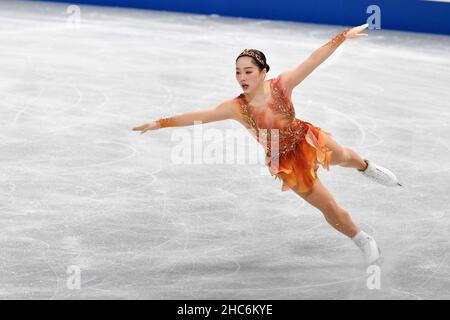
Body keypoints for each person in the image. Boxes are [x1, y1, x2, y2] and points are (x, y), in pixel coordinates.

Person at [132, 23, 402, 266]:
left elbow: (313, 60)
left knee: (343, 156)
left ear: (263, 72)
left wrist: (342, 36)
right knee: (328, 207)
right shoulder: (236, 107)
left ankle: (366, 167)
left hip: (305, 137)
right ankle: (362, 239)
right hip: (282, 160)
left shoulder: (282, 85)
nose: (242, 77)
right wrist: (160, 122)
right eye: (238, 72)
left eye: (248, 71)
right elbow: (198, 117)